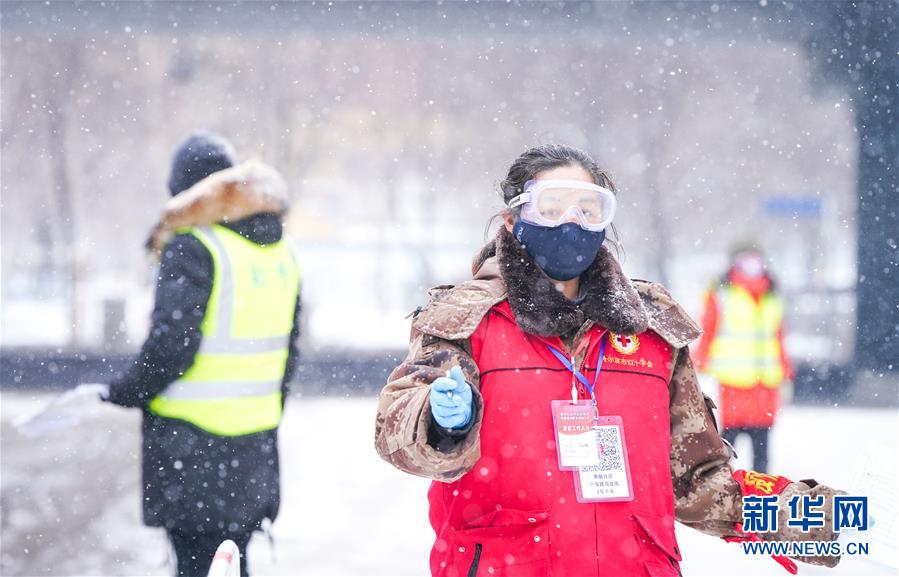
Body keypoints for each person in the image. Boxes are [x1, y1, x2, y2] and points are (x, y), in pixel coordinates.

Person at [375, 144, 844, 576]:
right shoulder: (466, 321)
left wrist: (814, 518)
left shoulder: (651, 330)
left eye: (588, 209)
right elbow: (396, 435)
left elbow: (698, 480)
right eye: (552, 207)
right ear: (514, 220)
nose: (571, 222)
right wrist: (438, 424)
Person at [102, 132, 301, 577]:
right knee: (233, 563)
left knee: (196, 566)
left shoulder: (194, 247)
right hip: (253, 451)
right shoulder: (281, 252)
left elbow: (171, 348)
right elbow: (289, 356)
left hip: (191, 455)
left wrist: (124, 391)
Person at [692, 245, 793, 473]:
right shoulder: (721, 293)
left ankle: (760, 495)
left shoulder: (772, 294)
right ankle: (723, 492)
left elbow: (778, 335)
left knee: (762, 450)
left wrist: (785, 369)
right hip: (732, 382)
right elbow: (708, 330)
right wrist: (697, 365)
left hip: (764, 383)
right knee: (727, 446)